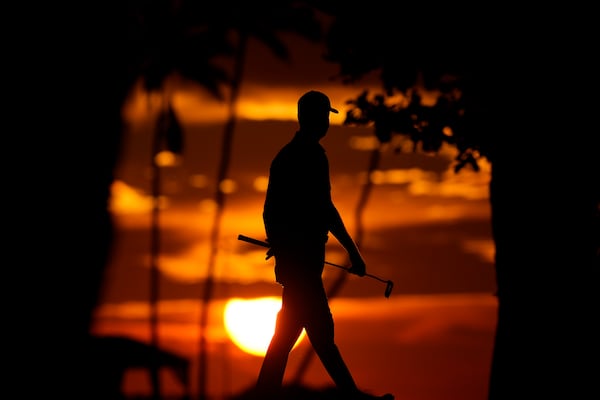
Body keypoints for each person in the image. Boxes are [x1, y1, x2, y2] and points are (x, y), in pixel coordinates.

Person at [254, 90, 394, 400]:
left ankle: (264, 394)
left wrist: (280, 246)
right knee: (319, 335)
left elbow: (271, 211)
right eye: (322, 117)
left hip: (297, 265)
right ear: (310, 118)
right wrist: (354, 253)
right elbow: (325, 210)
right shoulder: (312, 157)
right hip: (302, 267)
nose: (326, 124)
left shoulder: (285, 157)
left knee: (294, 337)